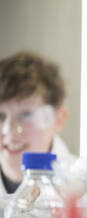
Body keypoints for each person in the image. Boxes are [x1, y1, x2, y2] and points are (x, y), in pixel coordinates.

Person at [0, 51, 76, 195]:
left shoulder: (82, 190)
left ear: (58, 120)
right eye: (0, 116)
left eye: (25, 114)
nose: (8, 130)